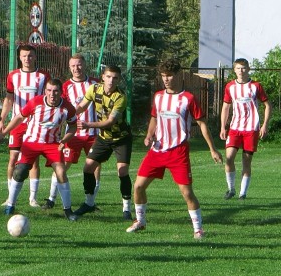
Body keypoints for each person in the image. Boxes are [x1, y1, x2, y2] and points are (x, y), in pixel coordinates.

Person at [126, 59, 223, 238]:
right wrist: (149, 135)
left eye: (169, 75)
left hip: (178, 151)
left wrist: (212, 149)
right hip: (157, 149)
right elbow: (154, 118)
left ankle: (198, 229)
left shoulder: (188, 98)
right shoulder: (158, 97)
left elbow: (202, 124)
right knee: (138, 186)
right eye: (163, 76)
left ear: (179, 76)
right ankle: (140, 221)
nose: (166, 79)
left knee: (186, 192)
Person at [0, 79, 77, 217]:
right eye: (49, 90)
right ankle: (10, 205)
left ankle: (68, 211)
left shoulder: (67, 108)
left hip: (53, 144)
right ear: (45, 91)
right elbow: (19, 118)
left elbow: (73, 126)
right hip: (32, 142)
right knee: (20, 171)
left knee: (61, 172)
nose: (52, 94)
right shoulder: (35, 102)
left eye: (55, 91)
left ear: (61, 93)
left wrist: (65, 139)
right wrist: (3, 133)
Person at [69, 65, 133, 221]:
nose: (111, 81)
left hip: (121, 138)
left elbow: (110, 122)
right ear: (102, 76)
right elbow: (81, 106)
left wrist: (88, 125)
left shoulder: (120, 97)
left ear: (118, 80)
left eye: (115, 78)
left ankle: (126, 209)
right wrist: (68, 117)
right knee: (88, 167)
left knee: (122, 171)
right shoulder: (94, 89)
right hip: (104, 138)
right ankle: (89, 203)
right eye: (109, 77)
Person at [45, 53, 102, 209]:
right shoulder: (65, 87)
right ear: (69, 68)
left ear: (84, 65)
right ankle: (51, 199)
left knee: (95, 167)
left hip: (94, 134)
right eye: (73, 66)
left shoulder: (96, 84)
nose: (76, 68)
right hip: (73, 134)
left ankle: (91, 202)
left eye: (79, 65)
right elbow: (60, 108)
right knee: (62, 165)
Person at [0, 44, 50, 208]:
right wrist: (2, 120)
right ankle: (10, 197)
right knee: (13, 158)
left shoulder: (43, 76)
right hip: (17, 123)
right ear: (19, 58)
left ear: (35, 57)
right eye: (24, 56)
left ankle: (32, 199)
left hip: (36, 125)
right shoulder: (13, 76)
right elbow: (9, 99)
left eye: (30, 56)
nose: (27, 59)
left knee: (33, 162)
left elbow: (48, 99)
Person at [219, 58, 271, 200]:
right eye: (238, 68)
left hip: (251, 129)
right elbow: (225, 107)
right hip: (235, 128)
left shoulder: (256, 86)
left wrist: (264, 125)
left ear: (248, 69)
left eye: (243, 68)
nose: (241, 71)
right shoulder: (230, 86)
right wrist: (223, 126)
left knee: (246, 161)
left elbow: (267, 105)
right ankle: (231, 189)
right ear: (234, 70)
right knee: (228, 158)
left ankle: (242, 193)